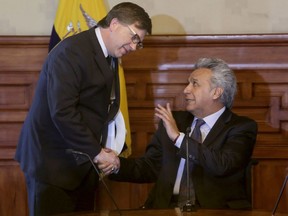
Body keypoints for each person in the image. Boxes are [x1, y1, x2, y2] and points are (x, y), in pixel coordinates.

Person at [14, 2, 152, 215]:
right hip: (52, 166)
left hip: (81, 165)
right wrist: (97, 152)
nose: (134, 47)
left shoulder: (109, 53)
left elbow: (97, 109)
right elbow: (63, 112)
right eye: (134, 38)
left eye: (139, 43)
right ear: (114, 24)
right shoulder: (72, 52)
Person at [108, 57, 258, 210]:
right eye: (188, 83)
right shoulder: (175, 121)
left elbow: (222, 165)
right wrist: (116, 165)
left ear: (216, 92)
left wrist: (178, 138)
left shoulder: (241, 127)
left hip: (214, 210)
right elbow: (150, 167)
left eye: (195, 84)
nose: (186, 90)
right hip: (166, 208)